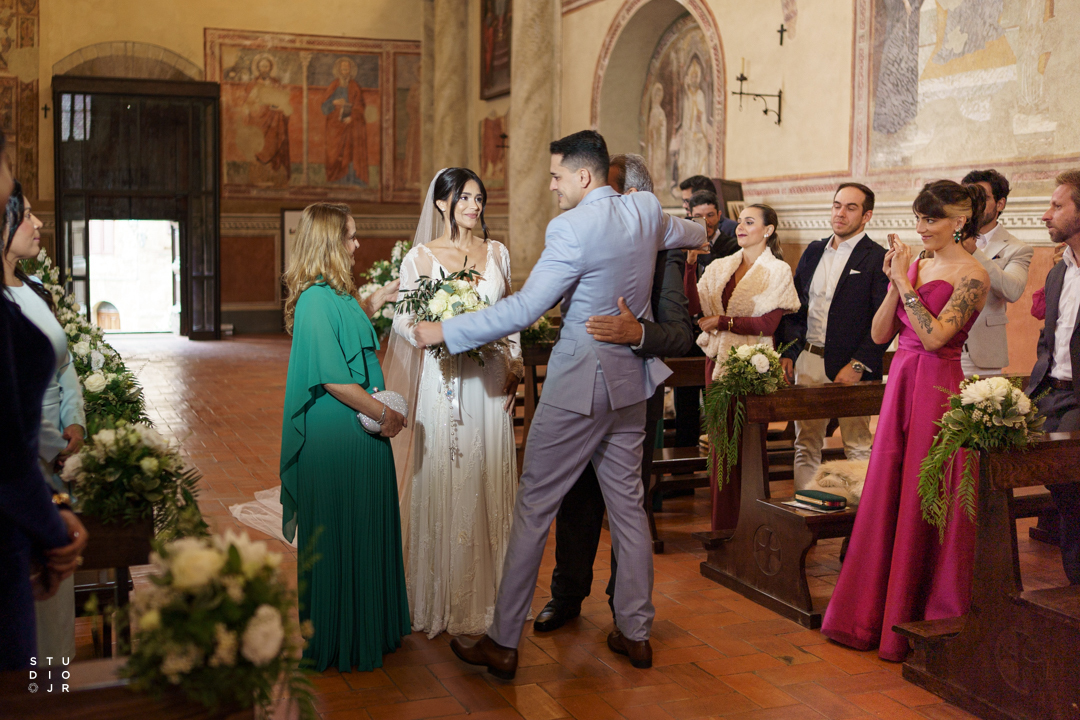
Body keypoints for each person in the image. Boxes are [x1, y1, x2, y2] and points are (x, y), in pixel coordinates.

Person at [413, 130, 704, 676]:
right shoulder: (643, 208)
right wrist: (698, 236)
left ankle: (501, 642)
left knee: (533, 509)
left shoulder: (570, 228)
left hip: (577, 388)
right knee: (629, 511)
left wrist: (444, 331)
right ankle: (636, 631)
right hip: (631, 388)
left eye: (555, 176)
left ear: (584, 176)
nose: (550, 186)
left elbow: (524, 309)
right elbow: (689, 230)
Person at [821, 180, 989, 661]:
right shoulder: (918, 262)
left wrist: (903, 284)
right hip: (900, 381)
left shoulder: (973, 275)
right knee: (886, 489)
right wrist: (899, 280)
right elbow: (878, 333)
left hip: (936, 387)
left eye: (931, 219)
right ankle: (868, 613)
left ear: (959, 221)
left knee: (921, 493)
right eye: (918, 218)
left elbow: (937, 338)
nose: (922, 228)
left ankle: (918, 612)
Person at [534, 153, 693, 633]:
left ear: (632, 197)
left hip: (630, 393)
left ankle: (627, 616)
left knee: (628, 507)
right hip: (580, 383)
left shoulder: (662, 248)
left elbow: (680, 334)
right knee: (575, 499)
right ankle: (567, 596)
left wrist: (636, 332)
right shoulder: (582, 230)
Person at [384, 167, 521, 638]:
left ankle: (496, 598)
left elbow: (511, 316)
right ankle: (445, 593)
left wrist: (514, 370)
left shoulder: (497, 252)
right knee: (451, 476)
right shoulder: (421, 257)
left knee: (488, 477)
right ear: (442, 203)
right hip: (446, 385)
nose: (474, 206)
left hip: (490, 382)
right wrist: (433, 333)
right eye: (464, 198)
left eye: (479, 198)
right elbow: (403, 318)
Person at [278, 202, 410, 672]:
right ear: (330, 244)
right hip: (340, 431)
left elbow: (353, 317)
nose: (358, 245)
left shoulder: (339, 293)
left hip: (361, 429)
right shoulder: (315, 299)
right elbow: (334, 379)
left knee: (364, 524)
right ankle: (340, 638)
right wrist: (386, 414)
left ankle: (369, 625)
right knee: (339, 533)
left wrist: (380, 297)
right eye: (350, 237)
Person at [0, 142, 88, 670]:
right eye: (22, 207)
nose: (36, 220)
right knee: (22, 649)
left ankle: (55, 695)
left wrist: (73, 420)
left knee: (51, 635)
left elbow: (62, 369)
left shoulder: (34, 292)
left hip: (44, 479)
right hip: (26, 485)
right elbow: (9, 438)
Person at [776, 183, 889, 491]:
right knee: (806, 442)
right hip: (809, 360)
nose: (840, 213)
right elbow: (795, 308)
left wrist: (858, 365)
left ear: (867, 216)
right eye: (837, 205)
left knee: (857, 444)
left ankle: (861, 522)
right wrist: (788, 352)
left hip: (852, 367)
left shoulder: (878, 258)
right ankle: (805, 511)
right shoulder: (814, 251)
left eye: (850, 207)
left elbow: (884, 320)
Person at [696, 204, 800, 530]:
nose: (740, 227)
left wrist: (723, 320)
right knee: (720, 445)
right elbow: (694, 305)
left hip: (751, 363)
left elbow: (767, 323)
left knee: (748, 445)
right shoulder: (720, 265)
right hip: (716, 360)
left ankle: (750, 521)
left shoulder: (777, 270)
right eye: (739, 221)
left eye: (750, 222)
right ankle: (724, 524)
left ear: (768, 230)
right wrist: (686, 266)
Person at [1024, 170, 1080, 586]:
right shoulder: (1061, 270)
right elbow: (1050, 342)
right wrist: (1032, 394)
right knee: (1065, 497)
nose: (1047, 214)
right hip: (1053, 397)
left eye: (1058, 206)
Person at [958, 169, 1033, 377]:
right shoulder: (948, 237)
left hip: (982, 352)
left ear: (1000, 204)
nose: (973, 205)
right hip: (941, 347)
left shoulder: (1016, 248)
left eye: (981, 198)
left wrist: (975, 252)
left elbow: (1012, 290)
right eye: (968, 198)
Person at [321, 58, 369, 185]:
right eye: (342, 69)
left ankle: (350, 179)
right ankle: (335, 178)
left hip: (350, 125)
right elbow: (324, 108)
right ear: (338, 70)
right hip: (334, 126)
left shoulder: (354, 86)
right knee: (334, 154)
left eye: (347, 69)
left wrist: (352, 117)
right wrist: (334, 102)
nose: (345, 71)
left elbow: (360, 107)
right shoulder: (333, 86)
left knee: (349, 152)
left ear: (351, 70)